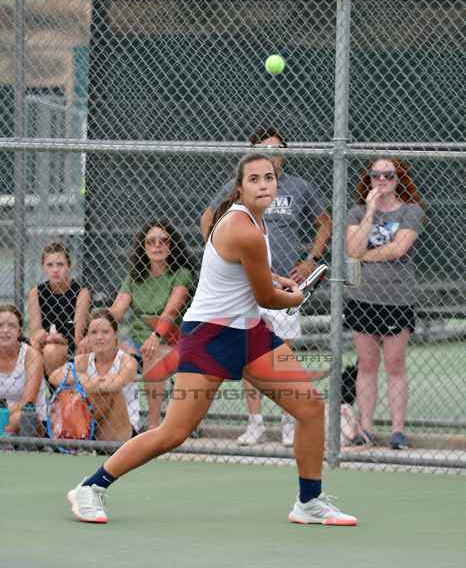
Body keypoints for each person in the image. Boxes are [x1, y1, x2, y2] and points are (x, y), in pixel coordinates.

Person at [66, 153, 357, 527]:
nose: (264, 185)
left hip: (250, 333)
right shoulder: (242, 228)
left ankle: (310, 502)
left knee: (311, 408)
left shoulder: (256, 222)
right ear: (240, 187)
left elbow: (248, 275)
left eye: (269, 178)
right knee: (173, 433)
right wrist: (295, 297)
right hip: (209, 336)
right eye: (254, 179)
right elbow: (268, 298)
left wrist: (277, 280)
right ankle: (91, 487)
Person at [201, 127, 332, 447]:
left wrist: (311, 259)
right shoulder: (242, 187)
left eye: (277, 148)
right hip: (247, 285)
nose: (273, 153)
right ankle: (255, 422)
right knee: (249, 354)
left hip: (285, 284)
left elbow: (325, 222)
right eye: (265, 148)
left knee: (282, 354)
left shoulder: (299, 187)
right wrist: (220, 256)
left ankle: (288, 422)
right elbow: (208, 217)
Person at [345, 158, 426, 450]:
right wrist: (370, 210)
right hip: (362, 298)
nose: (381, 180)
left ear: (398, 178)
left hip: (397, 299)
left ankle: (397, 431)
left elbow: (399, 248)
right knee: (367, 365)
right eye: (376, 175)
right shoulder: (356, 212)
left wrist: (364, 256)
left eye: (388, 175)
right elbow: (352, 248)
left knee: (395, 364)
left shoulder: (411, 211)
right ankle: (365, 427)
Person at [109, 220, 193, 429]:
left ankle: (154, 425)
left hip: (172, 342)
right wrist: (98, 334)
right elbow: (116, 311)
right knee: (106, 348)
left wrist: (155, 337)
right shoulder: (134, 277)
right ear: (143, 247)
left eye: (164, 241)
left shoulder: (181, 274)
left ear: (171, 246)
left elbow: (171, 311)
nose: (157, 245)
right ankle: (114, 423)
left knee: (151, 354)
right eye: (151, 241)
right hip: (137, 341)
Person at [50, 309, 138, 442]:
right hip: (93, 426)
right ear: (88, 337)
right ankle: (76, 435)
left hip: (122, 432)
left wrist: (85, 385)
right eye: (94, 333)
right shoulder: (84, 359)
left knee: (108, 392)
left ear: (115, 335)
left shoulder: (127, 361)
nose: (99, 337)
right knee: (77, 391)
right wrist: (82, 378)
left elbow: (113, 384)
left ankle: (75, 435)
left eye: (105, 332)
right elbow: (54, 376)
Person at [27, 242, 91, 377]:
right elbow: (35, 333)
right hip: (46, 342)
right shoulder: (36, 293)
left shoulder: (81, 293)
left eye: (60, 264)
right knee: (36, 345)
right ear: (43, 267)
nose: (55, 270)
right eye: (50, 265)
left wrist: (59, 339)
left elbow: (77, 337)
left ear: (68, 266)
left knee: (52, 351)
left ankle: (56, 388)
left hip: (71, 346)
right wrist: (46, 337)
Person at [0, 304, 47, 435]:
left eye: (11, 326)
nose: (5, 330)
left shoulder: (31, 355)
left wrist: (3, 413)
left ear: (19, 331)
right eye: (0, 325)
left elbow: (29, 401)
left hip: (30, 418)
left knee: (20, 417)